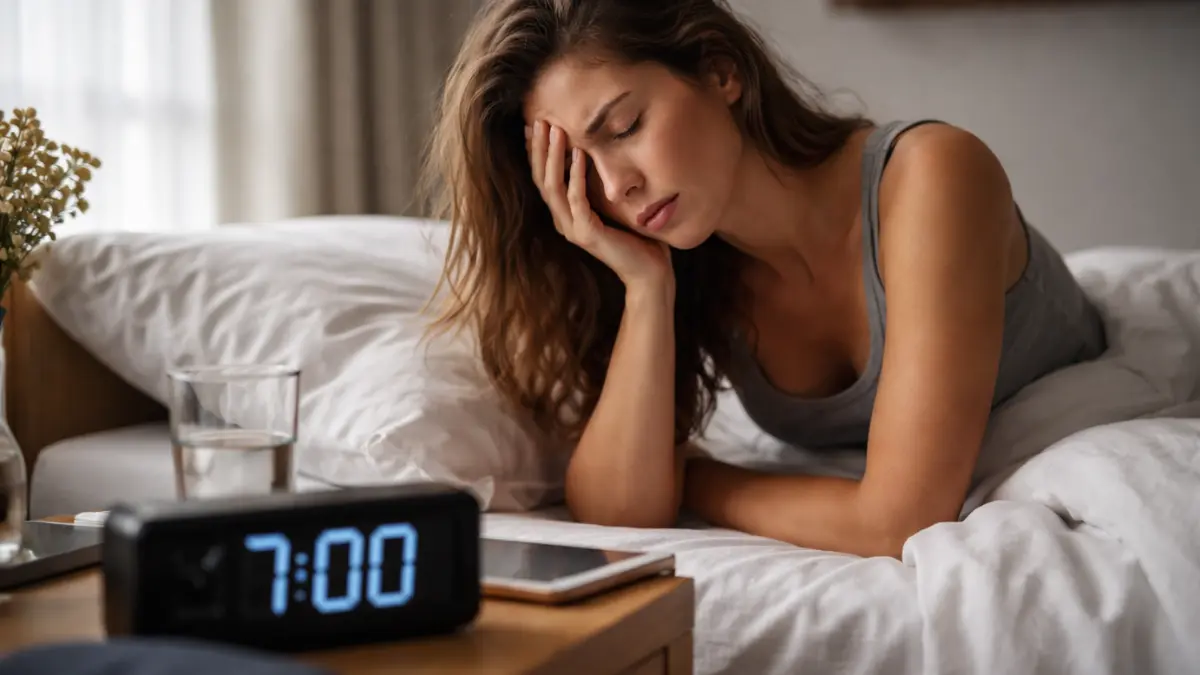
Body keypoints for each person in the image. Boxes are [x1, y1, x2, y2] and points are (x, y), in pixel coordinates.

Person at [420, 0, 1107, 558]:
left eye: (625, 126)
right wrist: (647, 290)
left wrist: (699, 476)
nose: (614, 184)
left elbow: (896, 522)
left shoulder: (931, 175)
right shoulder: (692, 265)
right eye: (577, 170)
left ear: (721, 71)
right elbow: (617, 511)